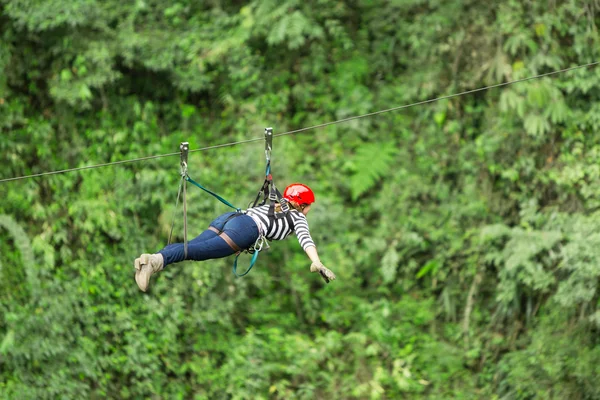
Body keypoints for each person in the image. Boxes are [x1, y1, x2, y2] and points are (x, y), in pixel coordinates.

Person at [134, 183, 336, 291]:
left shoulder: (277, 204)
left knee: (193, 246)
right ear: (301, 205)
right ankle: (154, 261)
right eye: (309, 206)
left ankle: (152, 259)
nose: (308, 210)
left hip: (231, 218)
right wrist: (317, 262)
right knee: (194, 251)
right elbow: (305, 239)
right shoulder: (298, 217)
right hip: (244, 229)